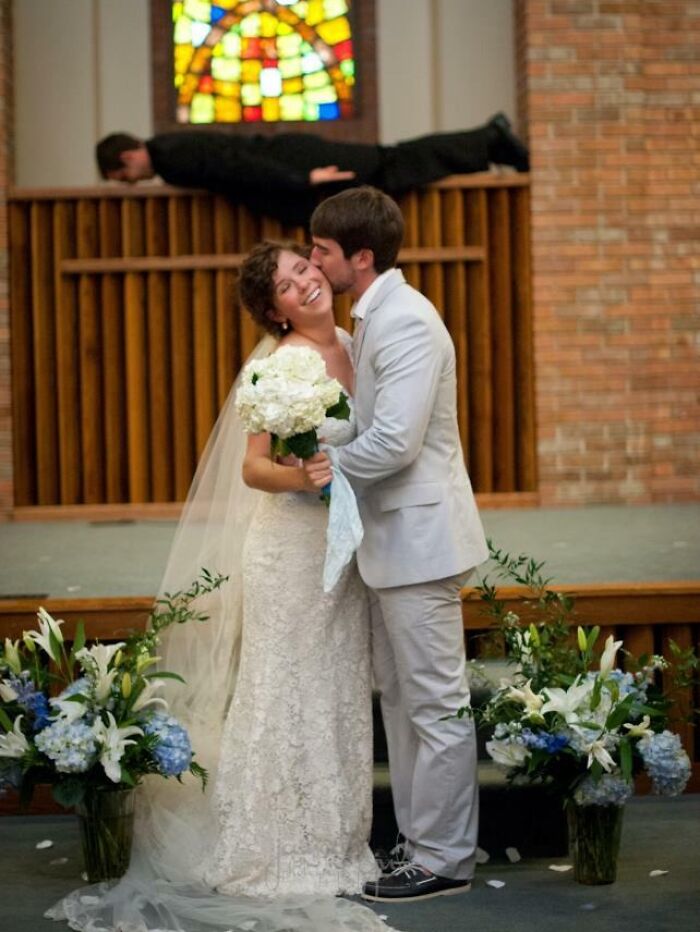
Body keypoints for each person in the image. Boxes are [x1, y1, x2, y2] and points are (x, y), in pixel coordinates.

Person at [46, 242, 393, 932]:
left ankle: (335, 838)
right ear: (275, 311)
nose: (306, 282)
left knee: (337, 685)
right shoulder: (278, 365)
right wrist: (308, 479)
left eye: (306, 268)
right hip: (288, 548)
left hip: (343, 551)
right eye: (289, 286)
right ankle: (267, 844)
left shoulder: (358, 342)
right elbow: (254, 470)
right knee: (283, 685)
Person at [305, 186, 489, 903]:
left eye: (322, 252)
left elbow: (396, 441)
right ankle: (420, 842)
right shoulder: (378, 315)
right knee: (402, 704)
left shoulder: (407, 321)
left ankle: (445, 857)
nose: (315, 265)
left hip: (420, 540)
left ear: (361, 255)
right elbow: (370, 427)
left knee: (435, 704)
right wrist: (315, 439)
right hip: (394, 540)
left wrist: (321, 470)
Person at [95, 113, 529, 226]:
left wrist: (302, 180)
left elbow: (239, 166)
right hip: (294, 164)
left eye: (124, 178)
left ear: (129, 158)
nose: (131, 185)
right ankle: (488, 143)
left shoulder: (171, 157)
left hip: (298, 165)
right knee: (393, 164)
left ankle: (490, 140)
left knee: (393, 164)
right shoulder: (171, 150)